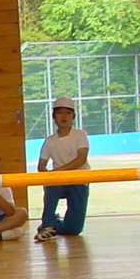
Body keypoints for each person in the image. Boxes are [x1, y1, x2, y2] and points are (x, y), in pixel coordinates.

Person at [35, 97, 90, 241]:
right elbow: (41, 166)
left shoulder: (80, 135)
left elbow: (81, 159)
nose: (64, 116)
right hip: (58, 180)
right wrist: (49, 176)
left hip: (80, 179)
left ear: (73, 116)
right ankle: (48, 225)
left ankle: (53, 223)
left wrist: (57, 172)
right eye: (59, 113)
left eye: (68, 113)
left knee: (74, 230)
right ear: (54, 116)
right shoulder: (50, 141)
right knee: (52, 184)